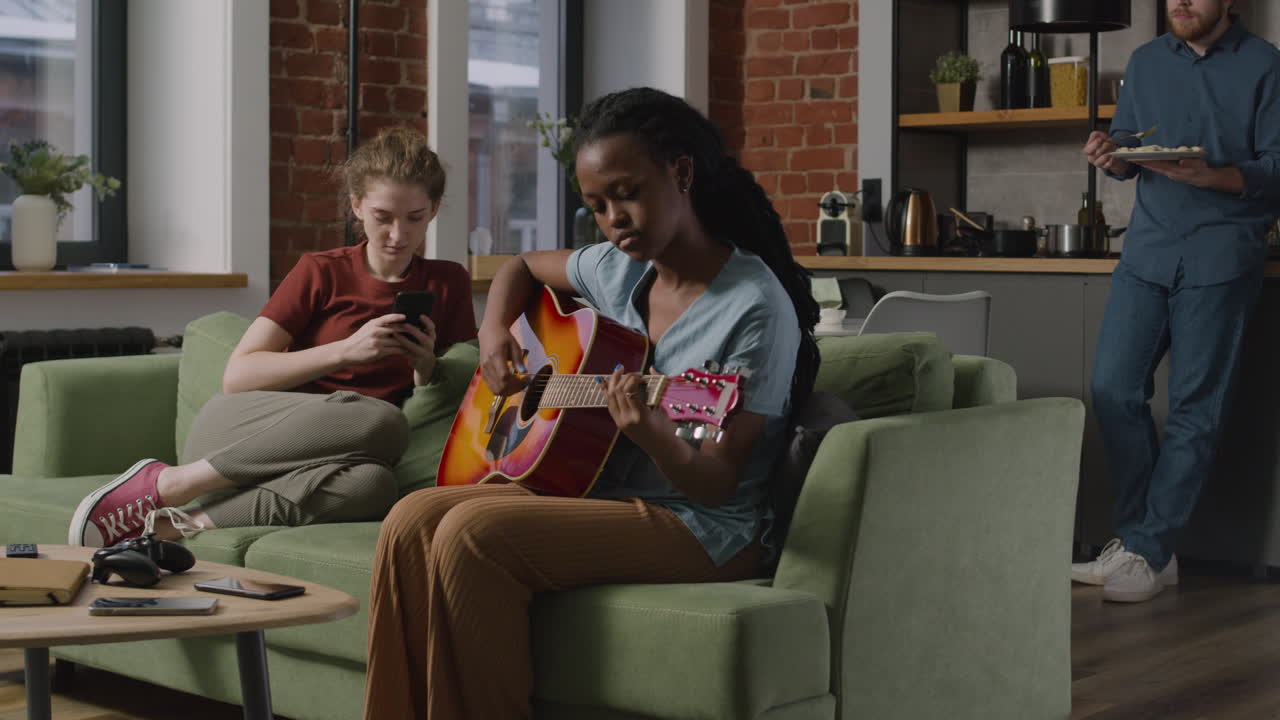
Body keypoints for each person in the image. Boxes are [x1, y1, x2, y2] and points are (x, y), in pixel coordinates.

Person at [362, 87, 820, 719]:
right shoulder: (621, 268)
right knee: (409, 519)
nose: (613, 220)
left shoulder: (755, 308)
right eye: (597, 206)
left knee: (474, 533)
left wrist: (652, 432)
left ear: (681, 173)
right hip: (601, 489)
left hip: (705, 527)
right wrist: (494, 334)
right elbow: (520, 264)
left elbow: (717, 484)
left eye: (626, 194)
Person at [68, 126, 477, 548]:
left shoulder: (448, 283)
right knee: (381, 418)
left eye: (414, 218)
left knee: (374, 486)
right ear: (356, 205)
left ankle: (170, 527)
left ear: (434, 210)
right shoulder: (321, 271)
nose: (398, 234)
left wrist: (426, 366)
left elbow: (456, 393)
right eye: (382, 217)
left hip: (338, 459)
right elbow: (238, 376)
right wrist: (346, 351)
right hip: (246, 431)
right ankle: (171, 481)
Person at [1073, 0, 1280, 602]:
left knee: (1195, 408)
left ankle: (1149, 547)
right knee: (1113, 387)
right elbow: (1133, 152)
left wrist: (1216, 175)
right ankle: (1144, 545)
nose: (1181, 2)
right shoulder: (1143, 62)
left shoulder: (1267, 66)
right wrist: (1110, 155)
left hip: (1221, 254)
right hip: (1148, 252)